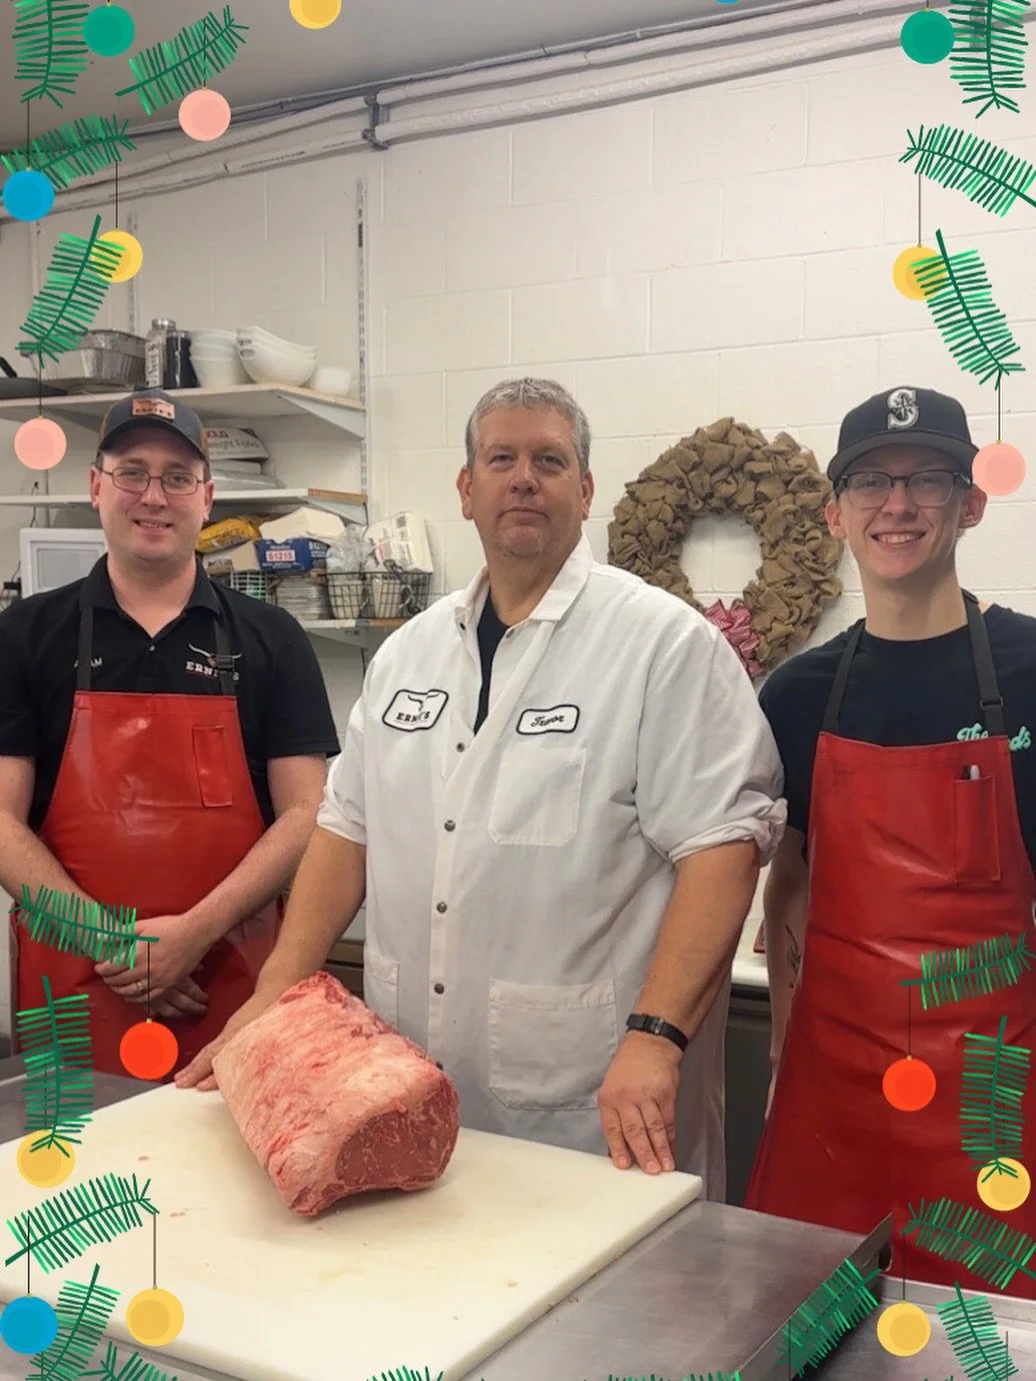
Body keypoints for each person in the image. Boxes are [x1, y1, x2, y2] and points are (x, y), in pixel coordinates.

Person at [178, 376, 785, 1196]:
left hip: (589, 1103)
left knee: (598, 1313)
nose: (523, 477)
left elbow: (723, 849)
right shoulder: (408, 654)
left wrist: (656, 1036)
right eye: (501, 458)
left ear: (586, 488)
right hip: (398, 1094)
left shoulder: (663, 646)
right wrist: (277, 986)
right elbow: (345, 827)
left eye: (549, 459)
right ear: (466, 490)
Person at [744, 386, 1036, 1296]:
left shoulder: (1031, 670)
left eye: (928, 480)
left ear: (972, 503)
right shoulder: (796, 695)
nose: (898, 504)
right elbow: (787, 884)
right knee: (811, 1333)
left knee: (987, 1343)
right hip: (833, 1102)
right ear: (836, 512)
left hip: (993, 1099)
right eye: (871, 480)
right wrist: (786, 1066)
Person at [0, 389, 340, 1076]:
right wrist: (115, 944)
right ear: (97, 485)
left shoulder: (273, 638)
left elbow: (308, 811)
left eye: (178, 477)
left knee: (227, 1177)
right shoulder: (23, 634)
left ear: (207, 497)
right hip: (73, 989)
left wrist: (195, 934)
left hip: (230, 987)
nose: (154, 495)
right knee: (74, 1179)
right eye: (132, 471)